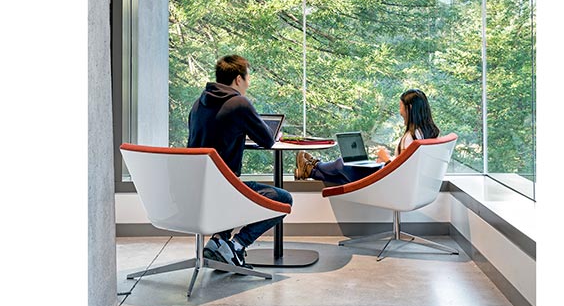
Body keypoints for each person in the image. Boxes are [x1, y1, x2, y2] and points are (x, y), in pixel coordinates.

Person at [188, 54, 293, 269]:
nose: (248, 83)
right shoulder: (239, 103)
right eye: (248, 78)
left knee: (234, 187)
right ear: (238, 79)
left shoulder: (199, 104)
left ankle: (218, 241)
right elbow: (267, 140)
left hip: (197, 191)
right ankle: (236, 246)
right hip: (225, 191)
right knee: (283, 199)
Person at [294, 88, 440, 184]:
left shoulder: (411, 138)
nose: (400, 112)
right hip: (396, 181)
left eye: (401, 107)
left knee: (343, 164)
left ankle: (315, 165)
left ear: (410, 108)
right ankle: (310, 171)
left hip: (389, 184)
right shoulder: (427, 134)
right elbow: (410, 167)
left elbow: (403, 173)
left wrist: (386, 158)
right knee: (344, 173)